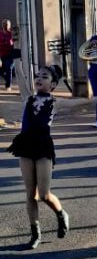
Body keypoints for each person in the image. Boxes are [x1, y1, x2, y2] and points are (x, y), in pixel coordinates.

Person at [7, 63, 69, 249]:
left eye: (44, 77)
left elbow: (83, 102)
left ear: (53, 84)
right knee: (30, 194)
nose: (39, 79)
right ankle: (35, 233)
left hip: (43, 147)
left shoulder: (55, 102)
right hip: (25, 145)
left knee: (43, 194)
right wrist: (16, 62)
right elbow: (21, 76)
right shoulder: (29, 98)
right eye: (37, 76)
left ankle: (61, 214)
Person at [0, 18, 15, 92]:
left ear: (9, 26)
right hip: (2, 55)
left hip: (10, 55)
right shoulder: (0, 33)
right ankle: (7, 80)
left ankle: (8, 85)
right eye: (4, 24)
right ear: (2, 25)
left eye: (7, 24)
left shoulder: (11, 34)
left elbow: (15, 43)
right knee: (2, 71)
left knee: (9, 68)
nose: (6, 26)